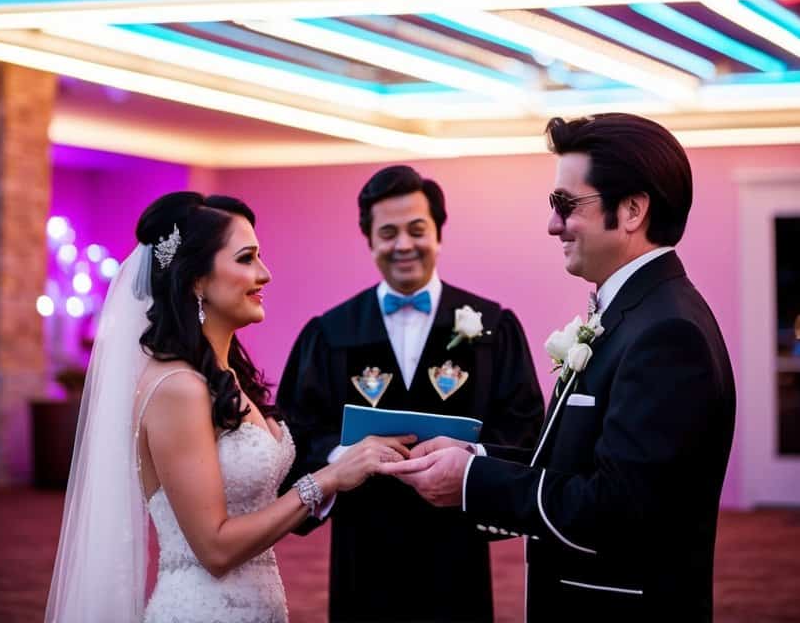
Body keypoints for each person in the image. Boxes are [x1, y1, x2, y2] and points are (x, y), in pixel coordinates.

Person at [384, 114, 736, 622]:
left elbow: (615, 507)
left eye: (566, 205)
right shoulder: (636, 312)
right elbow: (579, 461)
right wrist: (476, 454)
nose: (553, 224)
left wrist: (472, 482)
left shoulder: (667, 332)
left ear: (633, 209)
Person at [45, 191, 412, 623]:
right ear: (196, 279)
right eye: (246, 258)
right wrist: (328, 478)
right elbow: (215, 548)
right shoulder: (177, 388)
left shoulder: (227, 377)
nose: (265, 274)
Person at [277, 164, 545, 622]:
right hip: (364, 544)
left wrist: (470, 457)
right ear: (369, 240)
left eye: (417, 230)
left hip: (455, 544)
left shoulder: (490, 326)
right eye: (388, 232)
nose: (403, 245)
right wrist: (345, 454)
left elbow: (525, 425)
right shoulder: (331, 332)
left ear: (438, 232)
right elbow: (293, 431)